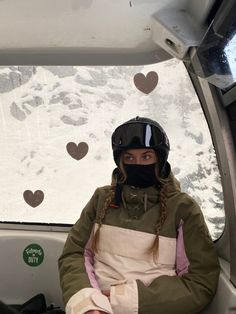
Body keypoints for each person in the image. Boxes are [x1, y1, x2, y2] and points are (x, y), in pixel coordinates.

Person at [58, 116, 220, 314]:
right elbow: (75, 254)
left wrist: (123, 300)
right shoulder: (101, 200)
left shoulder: (183, 209)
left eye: (146, 156)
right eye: (129, 158)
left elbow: (200, 281)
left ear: (159, 159)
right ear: (120, 162)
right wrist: (89, 304)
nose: (137, 164)